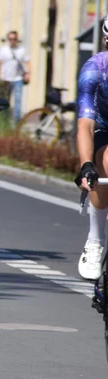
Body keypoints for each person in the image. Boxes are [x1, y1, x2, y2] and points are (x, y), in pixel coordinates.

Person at [75, 16, 108, 280]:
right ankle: (95, 241)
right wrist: (86, 164)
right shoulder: (95, 69)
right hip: (104, 129)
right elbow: (85, 124)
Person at [0, 30, 30, 124]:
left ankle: (16, 123)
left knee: (18, 102)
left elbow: (27, 62)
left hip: (18, 78)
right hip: (5, 79)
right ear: (8, 39)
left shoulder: (22, 50)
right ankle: (4, 121)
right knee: (5, 101)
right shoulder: (3, 50)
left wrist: (28, 73)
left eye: (14, 39)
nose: (12, 41)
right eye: (10, 39)